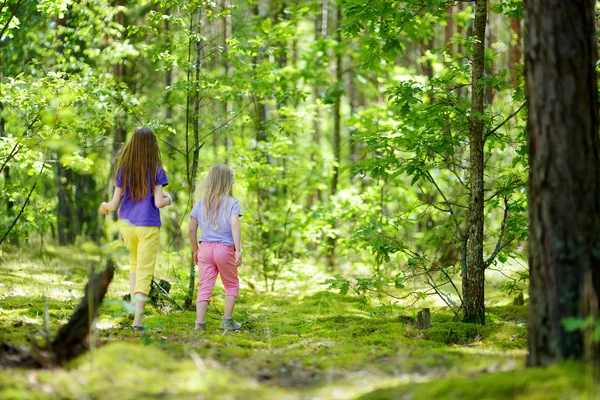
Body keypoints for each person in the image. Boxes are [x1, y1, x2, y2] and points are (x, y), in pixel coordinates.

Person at [99, 127, 172, 332]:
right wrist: (169, 199)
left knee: (134, 265)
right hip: (147, 224)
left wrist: (104, 206)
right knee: (145, 271)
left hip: (127, 225)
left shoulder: (124, 169)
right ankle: (138, 321)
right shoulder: (157, 169)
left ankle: (133, 308)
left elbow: (113, 205)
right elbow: (158, 203)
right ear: (152, 146)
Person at [189, 164, 242, 331]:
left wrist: (195, 250)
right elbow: (234, 225)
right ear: (227, 182)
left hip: (204, 248)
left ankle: (200, 323)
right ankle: (227, 320)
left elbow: (191, 229)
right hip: (225, 249)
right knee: (231, 284)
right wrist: (238, 250)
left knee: (204, 286)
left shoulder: (200, 203)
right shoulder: (232, 203)